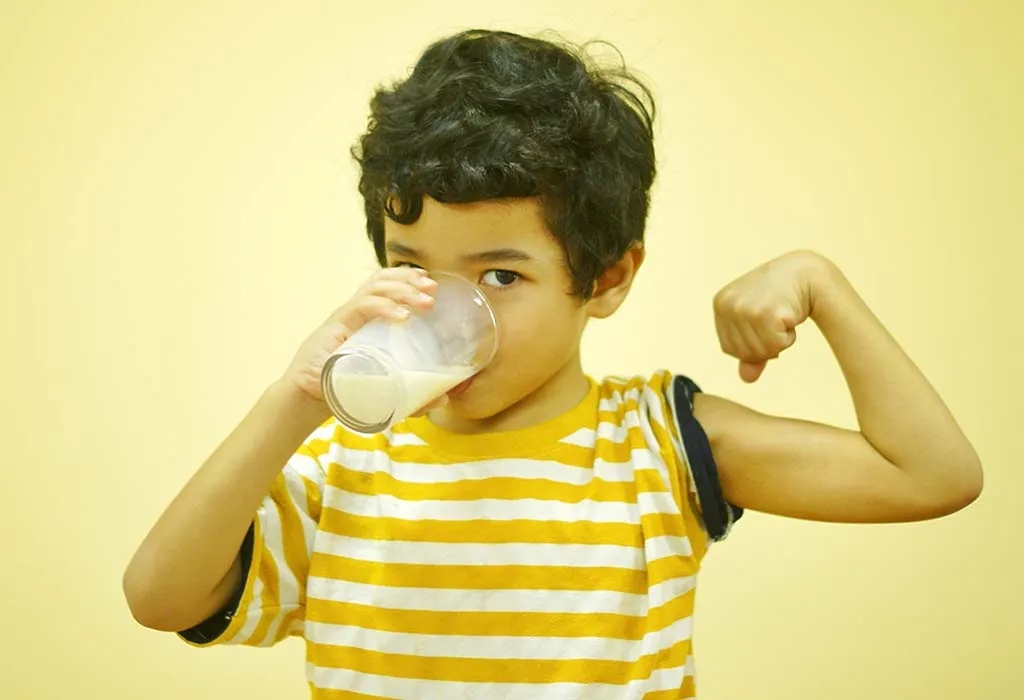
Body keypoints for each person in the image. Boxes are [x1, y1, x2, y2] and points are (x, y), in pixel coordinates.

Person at [122, 28, 983, 699]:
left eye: (501, 275)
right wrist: (295, 399)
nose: (443, 308)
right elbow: (159, 597)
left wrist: (820, 283)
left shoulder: (661, 445)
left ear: (606, 278)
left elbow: (931, 476)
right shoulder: (346, 467)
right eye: (412, 266)